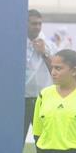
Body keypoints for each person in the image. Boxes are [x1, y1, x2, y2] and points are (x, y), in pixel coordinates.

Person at [25, 10, 53, 145]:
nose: (37, 27)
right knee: (16, 143)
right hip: (21, 100)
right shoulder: (16, 43)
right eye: (33, 23)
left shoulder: (49, 44)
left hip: (42, 100)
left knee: (44, 141)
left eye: (39, 24)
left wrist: (44, 52)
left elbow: (56, 69)